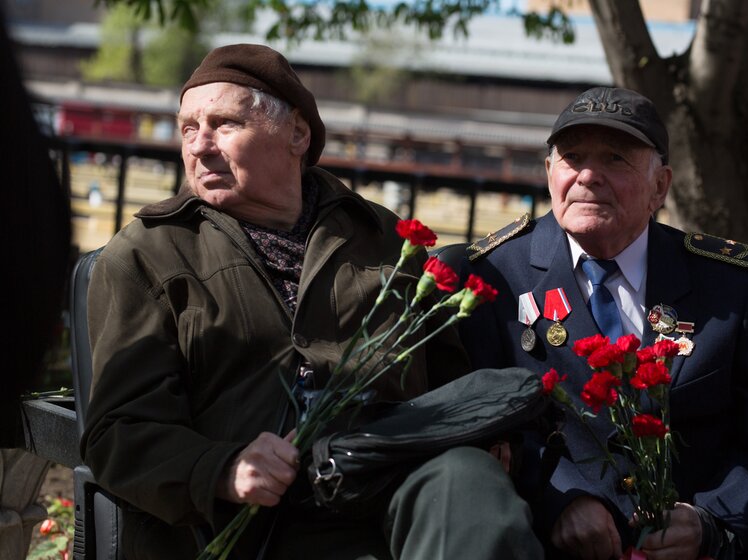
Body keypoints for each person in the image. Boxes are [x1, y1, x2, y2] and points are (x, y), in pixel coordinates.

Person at [80, 43, 542, 560]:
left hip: (396, 489)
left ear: (297, 133)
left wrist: (487, 438)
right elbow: (116, 434)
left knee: (471, 485)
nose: (200, 146)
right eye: (189, 128)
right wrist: (222, 468)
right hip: (249, 524)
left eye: (224, 124)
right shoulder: (148, 253)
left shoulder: (385, 237)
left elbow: (449, 386)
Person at [459, 86, 748, 559]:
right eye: (571, 158)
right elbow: (479, 434)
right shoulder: (493, 277)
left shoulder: (730, 284)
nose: (588, 176)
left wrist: (709, 522)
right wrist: (558, 501)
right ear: (549, 174)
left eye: (614, 158)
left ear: (660, 186)